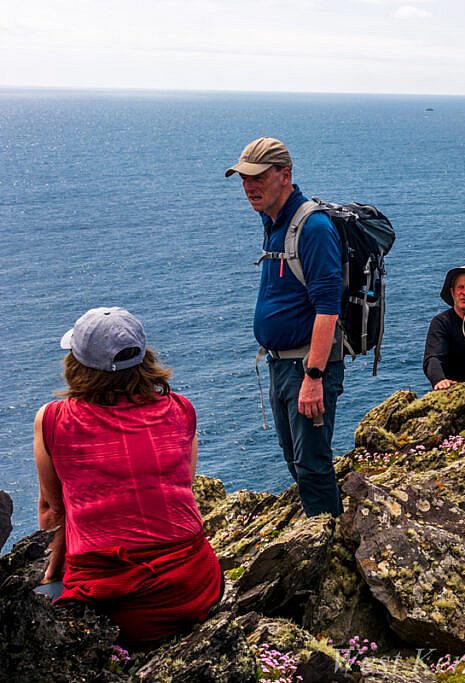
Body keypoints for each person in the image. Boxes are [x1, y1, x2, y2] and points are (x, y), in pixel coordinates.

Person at [34, 307, 222, 650]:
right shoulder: (181, 409)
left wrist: (52, 575)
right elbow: (181, 489)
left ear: (77, 365)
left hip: (119, 608)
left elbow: (52, 512)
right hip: (197, 588)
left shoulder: (53, 420)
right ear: (144, 357)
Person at [226, 137, 344, 517]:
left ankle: (330, 545)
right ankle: (324, 533)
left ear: (285, 175)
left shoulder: (313, 228)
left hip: (306, 365)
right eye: (244, 178)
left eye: (258, 177)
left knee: (312, 464)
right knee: (296, 461)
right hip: (282, 365)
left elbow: (328, 310)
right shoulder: (273, 221)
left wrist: (314, 375)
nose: (249, 186)